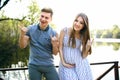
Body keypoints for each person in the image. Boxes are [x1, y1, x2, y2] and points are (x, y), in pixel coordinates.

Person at [19, 7, 59, 80]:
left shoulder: (54, 33)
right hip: (34, 66)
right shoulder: (30, 29)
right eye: (42, 16)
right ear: (39, 16)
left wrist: (54, 44)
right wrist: (22, 35)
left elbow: (55, 53)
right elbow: (22, 46)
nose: (43, 19)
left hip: (49, 65)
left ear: (50, 19)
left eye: (46, 18)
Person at [58, 13, 93, 80]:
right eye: (76, 21)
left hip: (80, 65)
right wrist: (63, 62)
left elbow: (84, 56)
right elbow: (60, 48)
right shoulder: (64, 30)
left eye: (81, 23)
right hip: (65, 65)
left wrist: (87, 48)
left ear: (84, 26)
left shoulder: (82, 36)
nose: (77, 24)